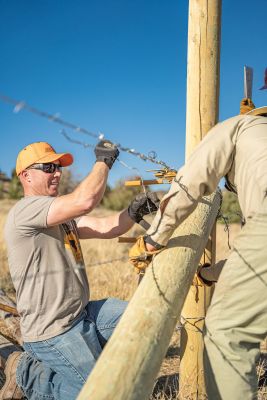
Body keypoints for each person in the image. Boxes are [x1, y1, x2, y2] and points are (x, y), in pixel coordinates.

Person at [129, 100, 267, 400]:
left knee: (226, 335)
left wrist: (154, 237)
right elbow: (257, 261)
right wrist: (208, 273)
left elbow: (191, 182)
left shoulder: (237, 126)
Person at [2, 140, 159, 400]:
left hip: (81, 314)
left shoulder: (59, 215)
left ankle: (94, 369)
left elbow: (108, 227)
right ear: (26, 176)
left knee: (142, 321)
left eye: (59, 167)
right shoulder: (25, 211)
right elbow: (85, 200)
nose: (57, 172)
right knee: (102, 393)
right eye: (49, 167)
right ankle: (28, 375)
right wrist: (103, 161)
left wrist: (132, 212)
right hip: (53, 330)